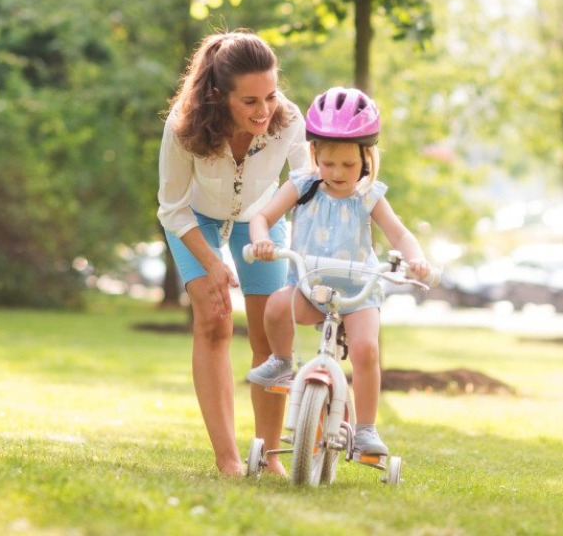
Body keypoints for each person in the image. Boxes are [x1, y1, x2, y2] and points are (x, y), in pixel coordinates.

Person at [157, 30, 310, 476]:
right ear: (219, 97)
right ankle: (227, 459)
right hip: (195, 221)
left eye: (271, 95)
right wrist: (212, 262)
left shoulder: (289, 120)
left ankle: (267, 459)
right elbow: (171, 206)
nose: (264, 111)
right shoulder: (183, 127)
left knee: (270, 334)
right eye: (249, 102)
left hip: (261, 219)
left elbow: (307, 182)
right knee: (213, 323)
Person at [247, 86, 432, 456]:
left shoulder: (368, 196)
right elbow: (262, 217)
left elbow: (400, 233)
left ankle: (364, 428)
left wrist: (417, 259)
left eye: (348, 165)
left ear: (366, 158)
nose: (337, 173)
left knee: (365, 351)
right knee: (277, 306)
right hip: (310, 288)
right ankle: (282, 361)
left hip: (358, 293)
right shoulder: (303, 185)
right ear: (315, 154)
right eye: (329, 163)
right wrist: (262, 240)